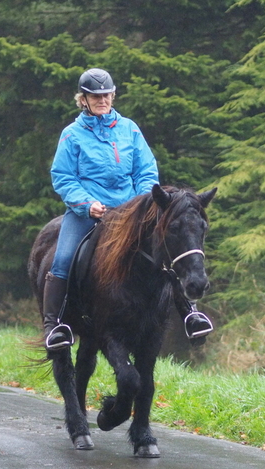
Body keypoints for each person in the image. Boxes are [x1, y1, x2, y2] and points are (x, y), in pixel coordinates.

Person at [43, 68, 212, 350]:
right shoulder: (71, 135)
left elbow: (146, 170)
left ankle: (191, 314)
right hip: (89, 210)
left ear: (113, 95)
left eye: (107, 95)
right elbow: (63, 176)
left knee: (165, 249)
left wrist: (138, 204)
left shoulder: (129, 129)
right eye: (95, 96)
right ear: (83, 99)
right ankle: (54, 327)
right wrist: (87, 204)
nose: (102, 100)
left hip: (130, 210)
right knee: (63, 259)